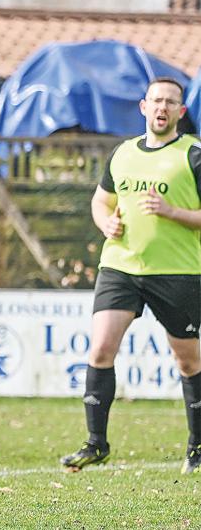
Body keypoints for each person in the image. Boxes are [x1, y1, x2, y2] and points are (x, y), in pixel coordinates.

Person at [59, 77, 201, 474]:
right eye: (156, 100)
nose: (162, 108)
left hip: (177, 271)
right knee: (101, 349)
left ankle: (198, 444)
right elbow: (101, 201)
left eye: (170, 103)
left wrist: (173, 212)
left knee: (187, 361)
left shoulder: (194, 155)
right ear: (143, 107)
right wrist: (106, 224)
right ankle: (95, 444)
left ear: (180, 112)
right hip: (121, 266)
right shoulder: (122, 154)